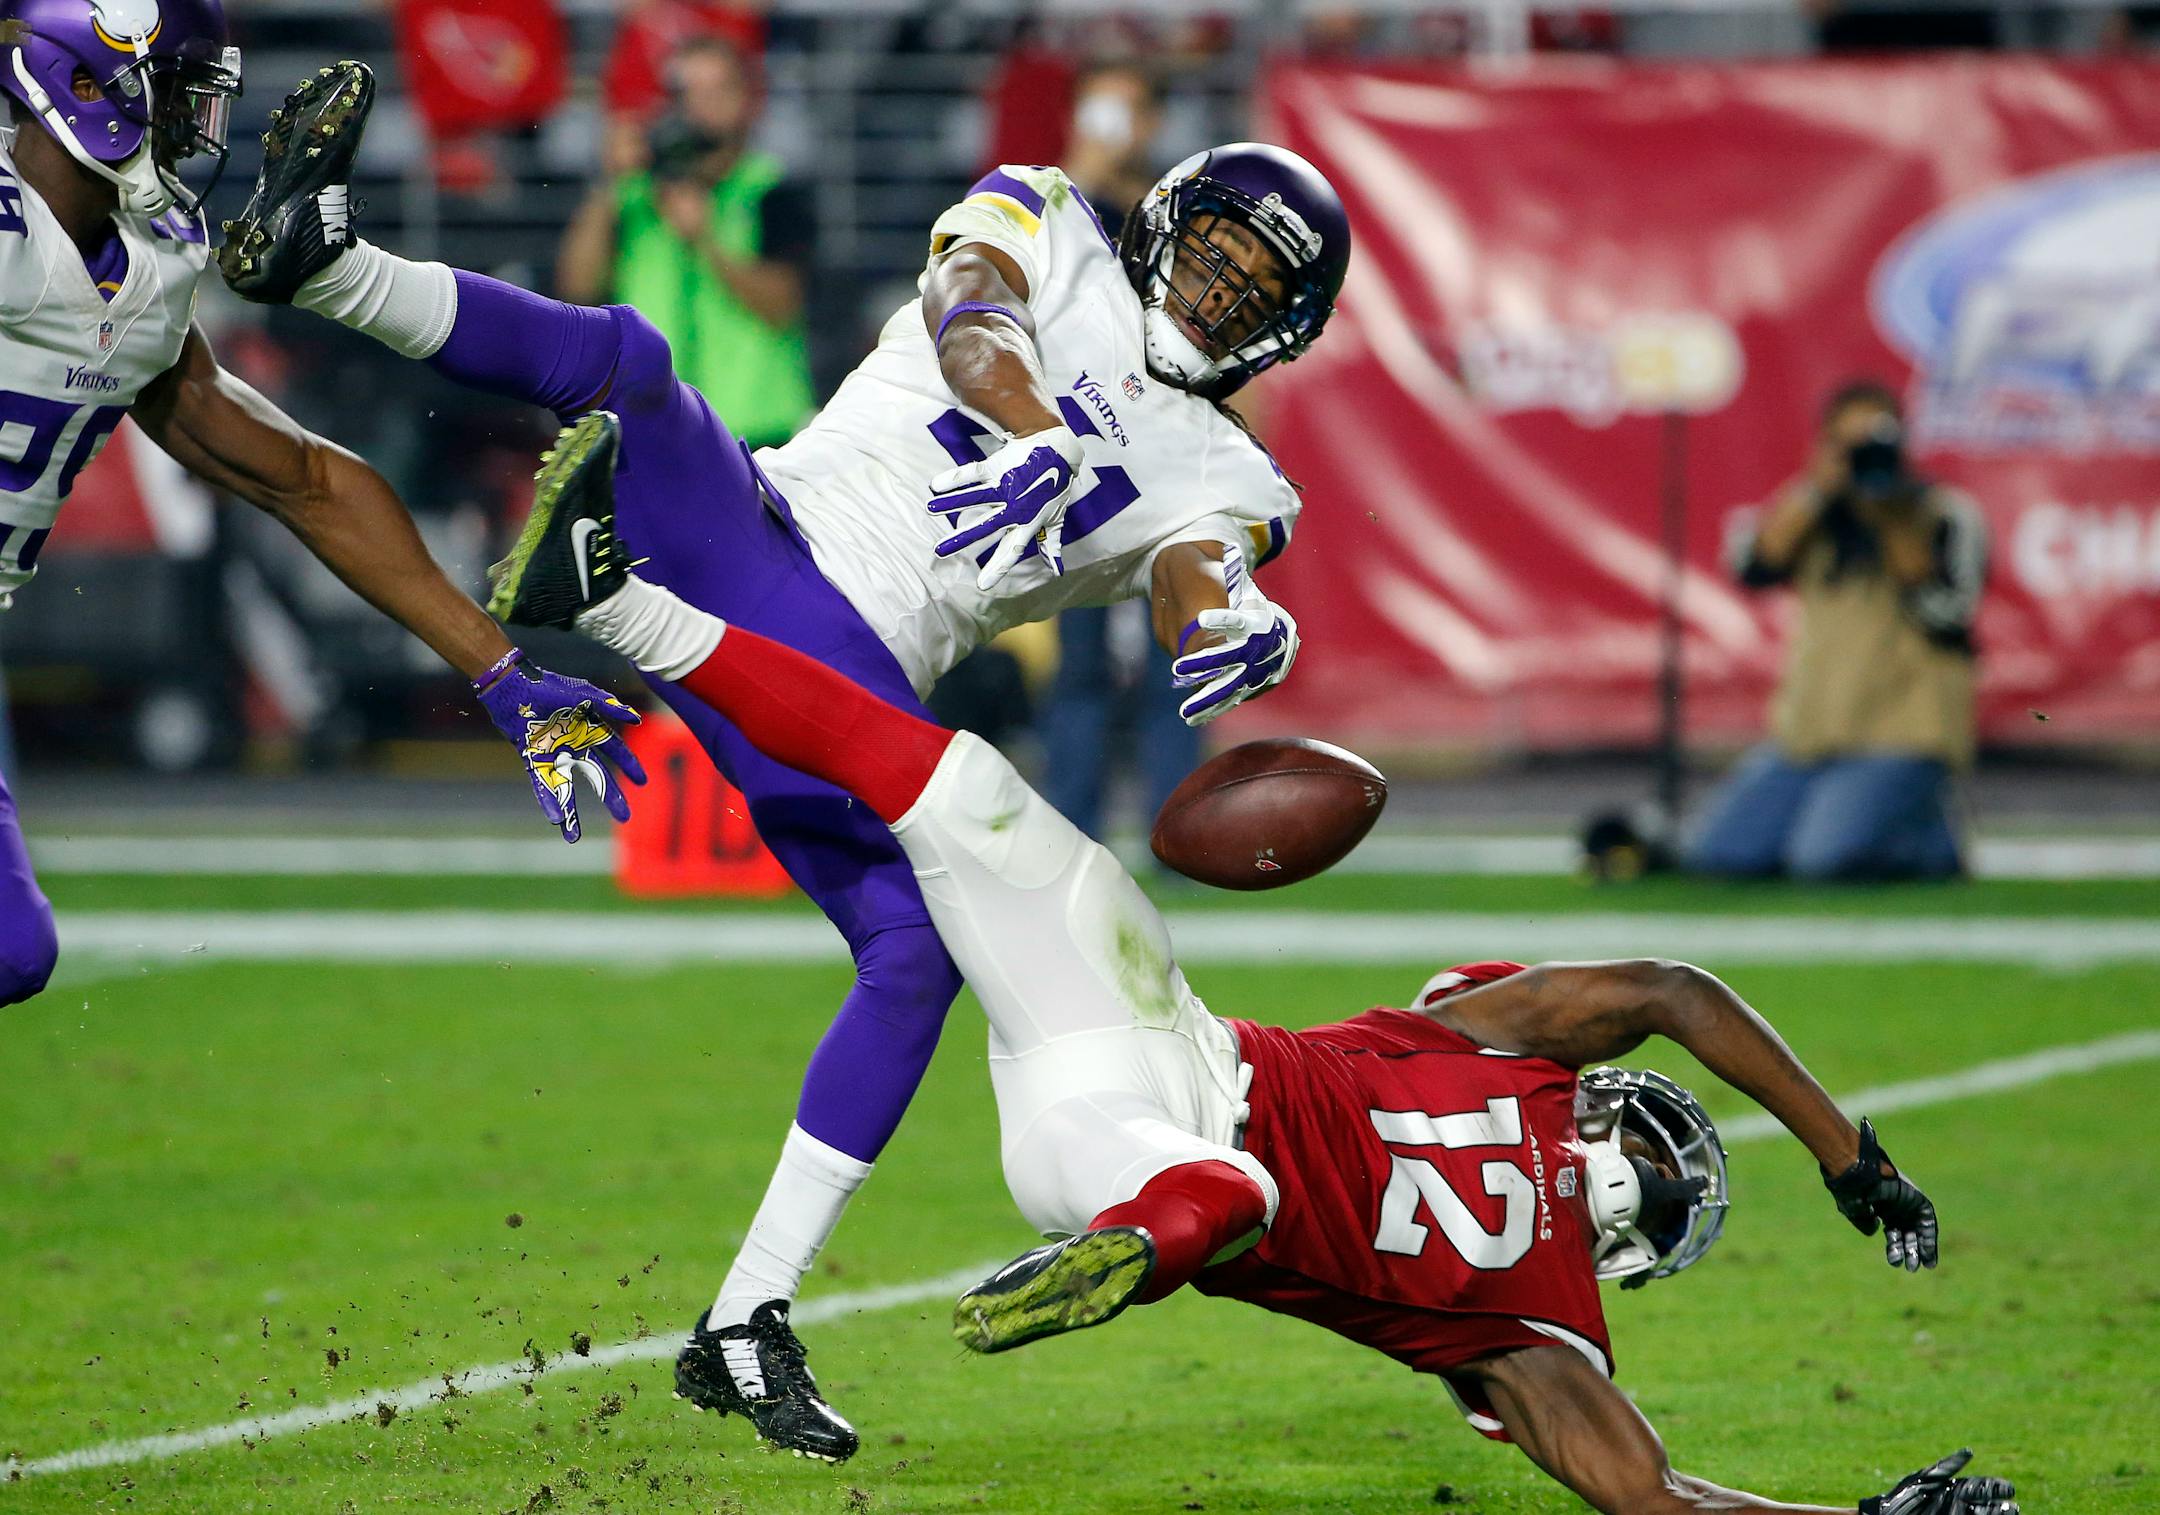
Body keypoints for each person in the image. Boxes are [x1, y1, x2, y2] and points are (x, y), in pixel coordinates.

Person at [487, 412, 2017, 1514]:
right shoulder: (1542, 1328)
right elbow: (1656, 1497)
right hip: (1121, 1144)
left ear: (1621, 1111)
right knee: (1013, 862)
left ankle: (620, 598)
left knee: (967, 801)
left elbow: (1676, 991)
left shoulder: (1508, 1048)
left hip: (1162, 1049)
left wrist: (1848, 1149)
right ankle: (609, 592)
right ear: (1626, 1245)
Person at [219, 61, 1347, 1460]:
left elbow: (1197, 558)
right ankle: (327, 271)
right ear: (1170, 222)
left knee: (917, 949)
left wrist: (1231, 621)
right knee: (634, 366)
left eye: (1258, 284)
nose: (1226, 288)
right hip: (763, 522)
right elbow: (969, 307)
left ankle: (744, 1316)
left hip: (835, 677)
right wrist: (1039, 431)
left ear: (1283, 327)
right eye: (1221, 251)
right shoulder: (1051, 217)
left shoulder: (1240, 476)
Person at [0, 5, 636, 1009]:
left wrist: (501, 669)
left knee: (11, 954)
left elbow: (304, 480)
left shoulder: (153, 256)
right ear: (90, 87)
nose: (194, 122)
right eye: (178, 89)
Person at [1685, 381, 1986, 883]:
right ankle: (1896, 818)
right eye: (1849, 445)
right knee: (1721, 854)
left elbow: (1947, 612)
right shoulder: (1812, 515)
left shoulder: (1944, 512)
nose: (1863, 458)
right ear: (1825, 445)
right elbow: (1752, 567)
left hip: (1905, 732)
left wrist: (1891, 516)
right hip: (1812, 731)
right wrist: (1814, 488)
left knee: (1822, 861)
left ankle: (1932, 842)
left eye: (1876, 442)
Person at [1036, 63, 1204, 843]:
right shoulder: (1051, 203)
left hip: (1167, 455)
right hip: (1076, 456)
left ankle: (1180, 833)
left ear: (1150, 123)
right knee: (1079, 663)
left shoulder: (1182, 210)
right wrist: (1073, 188)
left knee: (1183, 646)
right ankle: (1074, 828)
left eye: (1122, 108)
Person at [557, 32, 813, 451]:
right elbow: (577, 285)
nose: (704, 104)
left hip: (757, 434)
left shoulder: (772, 190)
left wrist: (706, 241)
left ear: (749, 100)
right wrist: (609, 183)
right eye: (688, 91)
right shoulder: (635, 194)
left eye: (719, 89)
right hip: (650, 430)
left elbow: (782, 305)